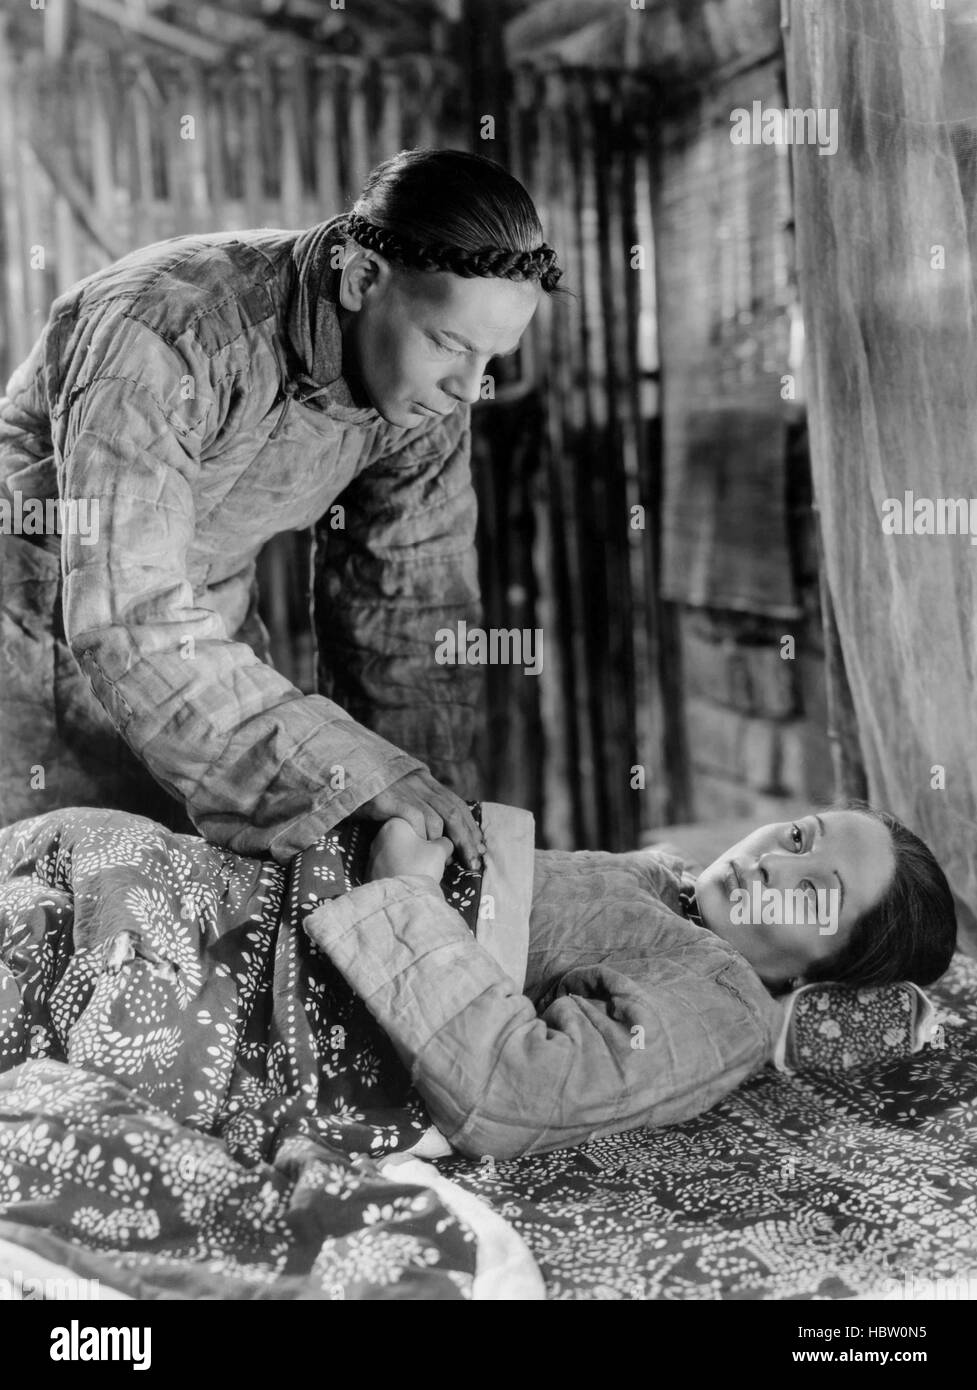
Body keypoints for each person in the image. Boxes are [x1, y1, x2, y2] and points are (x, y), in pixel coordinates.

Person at [0, 148, 561, 866]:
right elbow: (126, 611)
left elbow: (408, 623)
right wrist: (343, 771)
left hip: (199, 638)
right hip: (35, 633)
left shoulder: (430, 396)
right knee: (61, 897)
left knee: (210, 900)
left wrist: (428, 821)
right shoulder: (166, 326)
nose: (469, 386)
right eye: (450, 344)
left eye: (494, 358)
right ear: (362, 278)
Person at [316, 801, 957, 1156]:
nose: (770, 865)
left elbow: (520, 1093)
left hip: (290, 982)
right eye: (797, 837)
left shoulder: (725, 1011)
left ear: (819, 977)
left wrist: (403, 890)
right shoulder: (669, 882)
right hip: (301, 881)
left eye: (816, 891)